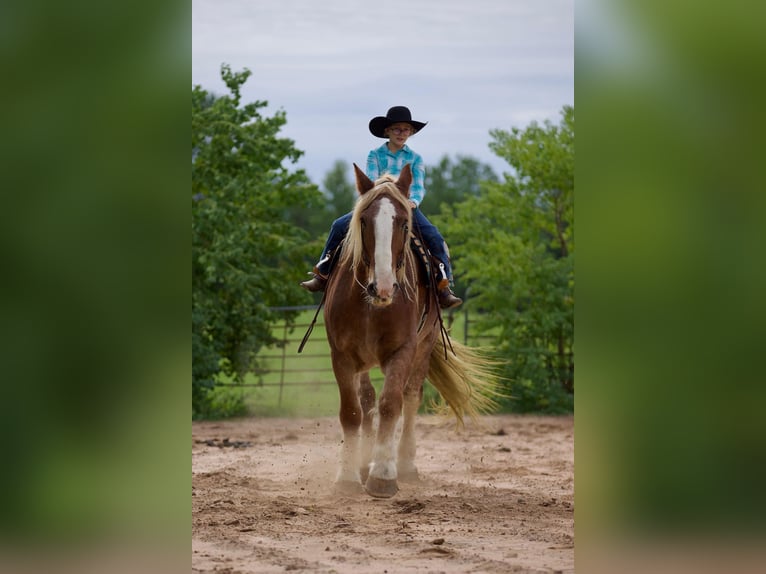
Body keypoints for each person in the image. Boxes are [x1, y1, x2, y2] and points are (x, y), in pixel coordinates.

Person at [300, 106, 462, 309]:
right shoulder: (375, 154)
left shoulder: (416, 159)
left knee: (434, 236)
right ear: (387, 131)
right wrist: (384, 193)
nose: (401, 133)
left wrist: (414, 201)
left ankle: (443, 286)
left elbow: (418, 186)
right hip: (378, 204)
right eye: (397, 129)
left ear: (411, 132)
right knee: (338, 226)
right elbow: (373, 181)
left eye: (405, 130)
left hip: (405, 207)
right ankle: (322, 272)